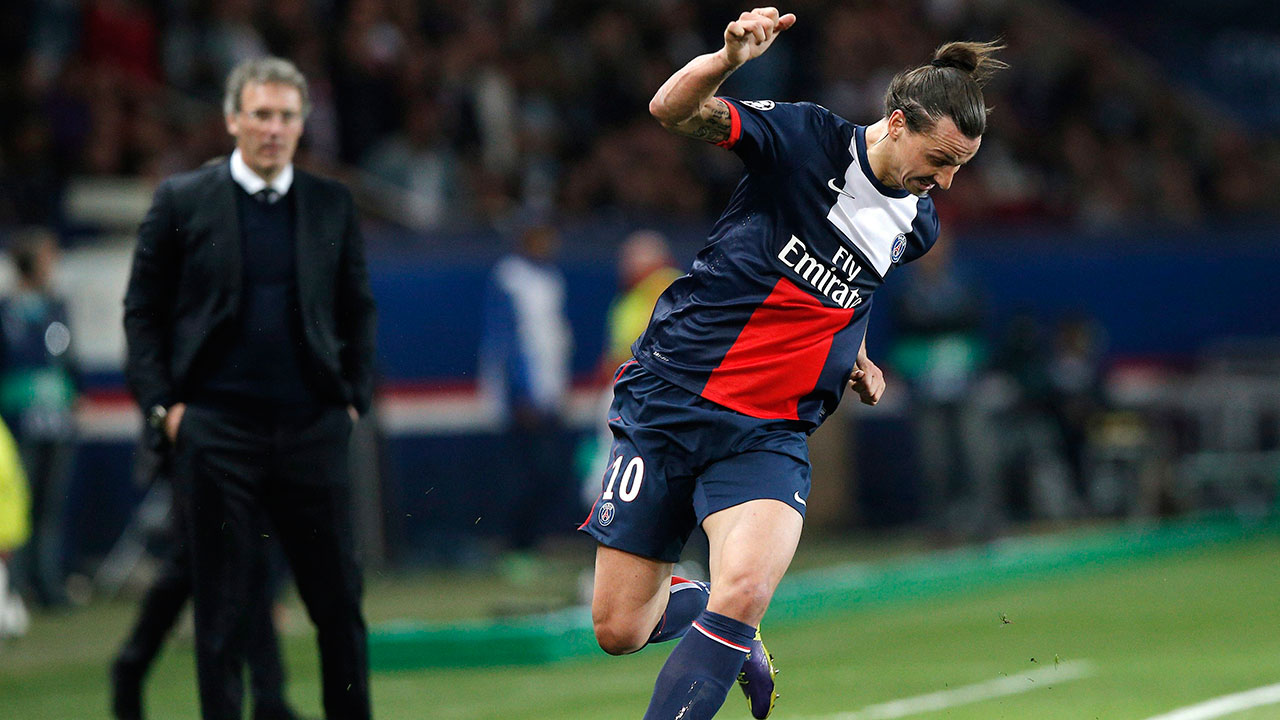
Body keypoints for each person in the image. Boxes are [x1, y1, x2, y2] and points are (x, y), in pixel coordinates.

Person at [578, 8, 1006, 719]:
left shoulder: (917, 225)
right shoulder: (807, 140)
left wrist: (856, 355)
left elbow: (850, 286)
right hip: (671, 397)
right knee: (618, 629)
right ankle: (719, 622)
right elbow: (671, 111)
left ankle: (730, 617)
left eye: (960, 166)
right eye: (940, 160)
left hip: (767, 430)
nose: (948, 181)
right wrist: (726, 61)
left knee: (746, 588)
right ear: (898, 122)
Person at [123, 57, 376, 720]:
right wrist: (165, 409)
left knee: (339, 605)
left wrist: (353, 398)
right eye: (261, 114)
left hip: (312, 426)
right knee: (220, 611)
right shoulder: (181, 200)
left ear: (303, 124)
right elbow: (142, 311)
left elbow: (357, 309)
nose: (273, 128)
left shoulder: (331, 203)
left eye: (286, 116)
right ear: (233, 119)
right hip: (216, 430)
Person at [109, 443, 305, 720]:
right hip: (198, 445)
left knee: (255, 561)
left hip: (249, 445)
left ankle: (270, 699)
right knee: (192, 563)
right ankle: (130, 667)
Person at [478, 221, 574, 567]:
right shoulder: (510, 277)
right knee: (523, 474)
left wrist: (556, 389)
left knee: (546, 472)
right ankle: (516, 547)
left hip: (547, 393)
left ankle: (530, 543)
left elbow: (554, 339)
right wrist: (520, 393)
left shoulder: (551, 279)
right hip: (521, 398)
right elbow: (506, 339)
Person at [0, 228, 80, 609]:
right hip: (16, 421)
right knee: (17, 507)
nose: (52, 265)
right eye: (47, 257)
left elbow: (69, 361)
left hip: (57, 421)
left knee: (51, 506)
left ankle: (48, 586)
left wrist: (75, 395)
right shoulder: (5, 312)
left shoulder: (57, 307)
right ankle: (13, 586)